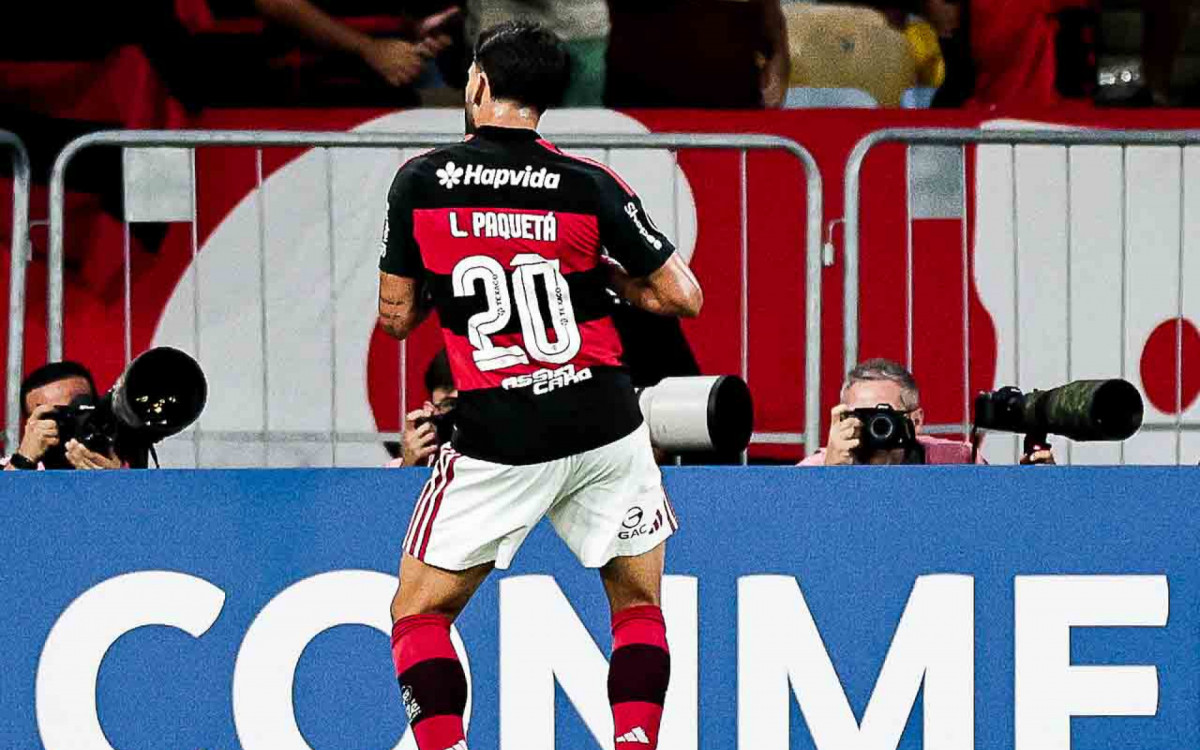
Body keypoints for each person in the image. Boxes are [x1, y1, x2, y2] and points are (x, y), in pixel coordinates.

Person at [377, 20, 702, 750]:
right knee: (638, 604)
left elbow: (396, 319)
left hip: (500, 432)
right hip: (605, 423)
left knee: (420, 614)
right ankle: (636, 742)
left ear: (478, 85)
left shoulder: (421, 180)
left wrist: (448, 279)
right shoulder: (588, 184)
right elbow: (683, 296)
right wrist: (602, 282)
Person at [800, 358, 1056, 466]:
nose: (875, 427)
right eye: (862, 416)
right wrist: (829, 476)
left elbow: (999, 519)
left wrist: (1032, 487)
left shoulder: (957, 461)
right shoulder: (816, 468)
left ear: (916, 420)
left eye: (883, 417)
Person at [3, 362, 123, 471]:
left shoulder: (127, 460)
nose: (68, 421)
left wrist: (115, 481)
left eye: (77, 410)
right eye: (53, 417)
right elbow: (6, 494)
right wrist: (24, 460)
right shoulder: (8, 469)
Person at [391, 350, 458, 468]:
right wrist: (410, 465)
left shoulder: (500, 465)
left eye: (470, 403)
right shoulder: (397, 469)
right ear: (430, 411)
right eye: (450, 404)